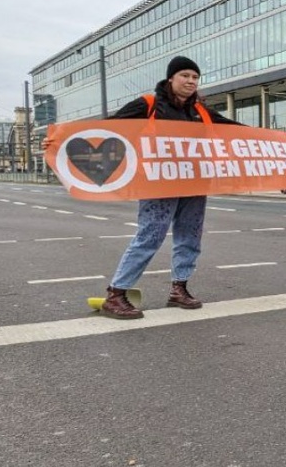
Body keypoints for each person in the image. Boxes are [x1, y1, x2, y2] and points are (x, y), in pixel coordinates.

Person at [42, 56, 240, 319]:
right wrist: (61, 140)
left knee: (190, 236)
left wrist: (279, 141)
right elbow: (108, 127)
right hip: (157, 182)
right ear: (171, 78)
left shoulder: (201, 111)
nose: (191, 81)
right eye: (185, 76)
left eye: (195, 77)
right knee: (150, 236)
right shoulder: (149, 105)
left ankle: (179, 289)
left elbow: (236, 131)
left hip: (194, 181)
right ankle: (116, 293)